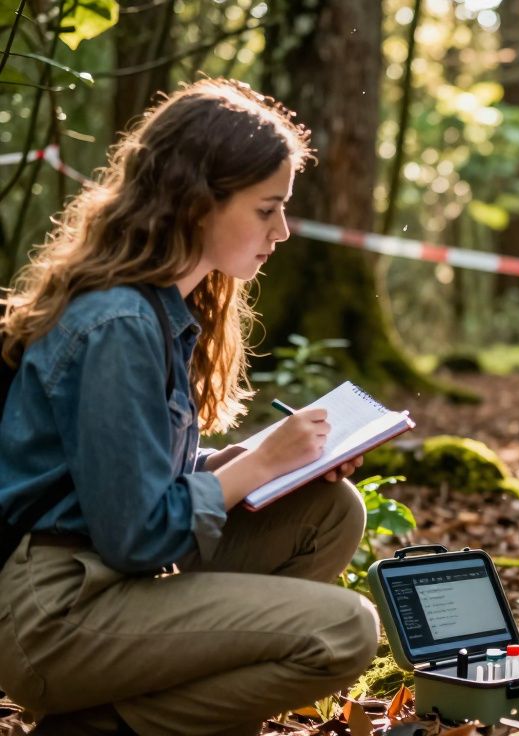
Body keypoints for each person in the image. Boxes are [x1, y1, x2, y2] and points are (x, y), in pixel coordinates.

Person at [0, 79, 379, 735]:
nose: (282, 231)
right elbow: (139, 535)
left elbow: (115, 472)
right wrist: (257, 466)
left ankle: (114, 716)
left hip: (106, 585)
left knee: (325, 511)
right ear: (199, 203)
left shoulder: (156, 311)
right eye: (267, 209)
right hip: (56, 613)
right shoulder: (117, 324)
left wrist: (220, 462)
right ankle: (99, 726)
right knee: (346, 629)